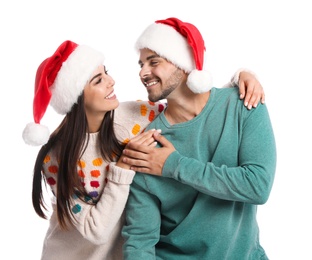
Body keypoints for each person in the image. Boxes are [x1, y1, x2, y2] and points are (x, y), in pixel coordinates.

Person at [22, 40, 264, 259]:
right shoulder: (56, 156)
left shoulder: (138, 116)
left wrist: (240, 81)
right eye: (98, 80)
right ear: (76, 99)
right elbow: (96, 231)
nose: (111, 81)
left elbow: (192, 109)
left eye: (106, 73)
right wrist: (124, 166)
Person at [121, 17, 277, 260]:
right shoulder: (148, 146)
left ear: (183, 65)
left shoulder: (244, 103)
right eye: (141, 64)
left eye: (154, 62)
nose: (143, 72)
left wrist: (173, 165)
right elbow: (140, 241)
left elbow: (258, 186)